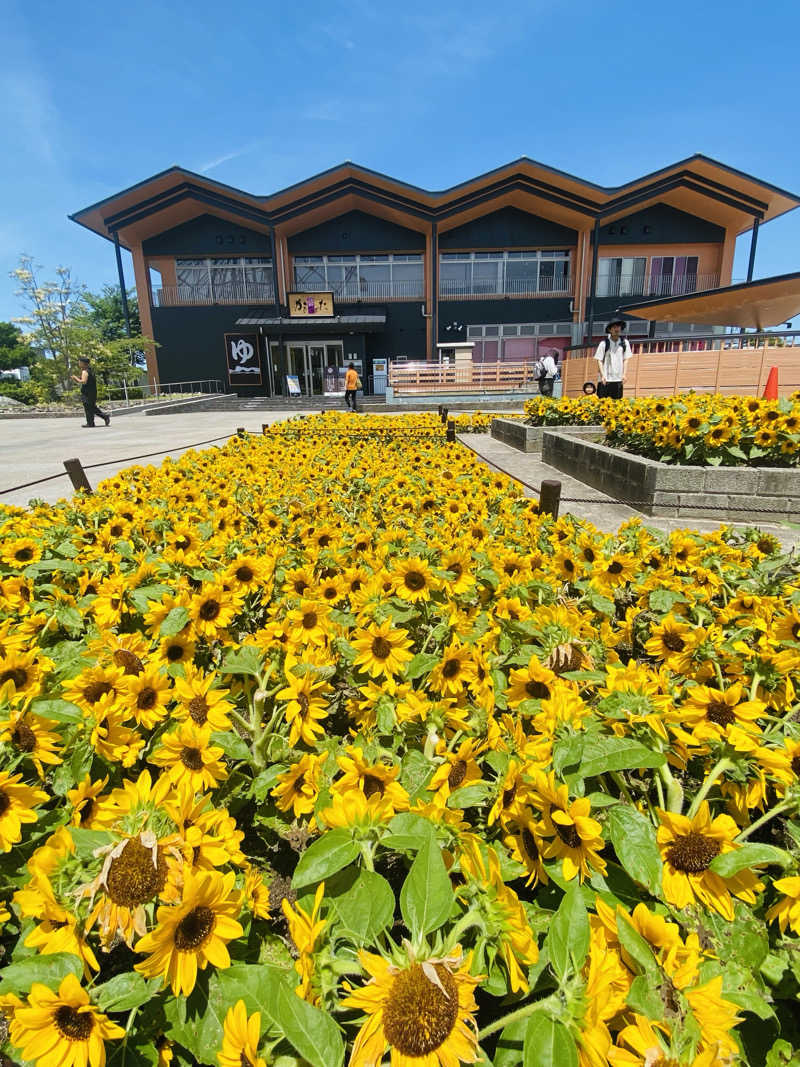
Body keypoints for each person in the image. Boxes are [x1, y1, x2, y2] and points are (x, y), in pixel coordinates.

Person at [594, 319, 631, 399]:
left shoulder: (625, 343)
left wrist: (624, 375)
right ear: (610, 330)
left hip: (618, 380)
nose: (616, 329)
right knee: (602, 404)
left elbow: (626, 359)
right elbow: (599, 360)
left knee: (616, 404)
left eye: (618, 327)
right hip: (605, 380)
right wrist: (603, 375)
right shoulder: (604, 343)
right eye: (614, 327)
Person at [71, 357, 110, 427]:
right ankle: (103, 417)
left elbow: (83, 381)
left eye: (80, 362)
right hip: (92, 392)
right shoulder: (90, 370)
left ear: (83, 363)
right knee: (92, 407)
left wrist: (75, 378)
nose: (79, 364)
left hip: (87, 393)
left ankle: (91, 423)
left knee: (88, 407)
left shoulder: (85, 371)